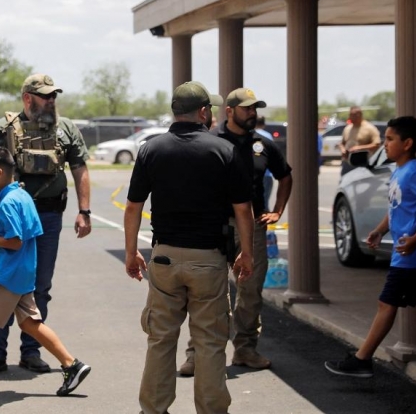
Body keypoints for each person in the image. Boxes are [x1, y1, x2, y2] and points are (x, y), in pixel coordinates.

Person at [124, 81, 254, 414]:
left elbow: (133, 206)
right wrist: (247, 253)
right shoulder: (224, 150)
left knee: (160, 339)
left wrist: (130, 252)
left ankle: (153, 409)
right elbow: (243, 209)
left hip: (165, 257)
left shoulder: (151, 149)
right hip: (208, 260)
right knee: (210, 343)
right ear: (203, 112)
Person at [0, 147, 91, 398]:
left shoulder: (9, 201)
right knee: (30, 323)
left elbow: (15, 241)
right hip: (24, 271)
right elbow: (25, 232)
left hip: (8, 274)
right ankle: (71, 364)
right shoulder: (22, 195)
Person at [0, 73, 92, 375]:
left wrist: (85, 211)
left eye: (54, 95)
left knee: (40, 285)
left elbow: (80, 168)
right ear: (28, 98)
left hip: (50, 218)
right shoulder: (4, 129)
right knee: (5, 282)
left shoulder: (66, 128)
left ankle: (31, 351)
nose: (51, 100)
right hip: (11, 219)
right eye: (45, 95)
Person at [179, 88, 293, 377]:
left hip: (253, 228)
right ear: (229, 111)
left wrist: (278, 210)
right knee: (209, 291)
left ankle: (245, 349)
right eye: (247, 108)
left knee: (250, 292)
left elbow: (285, 175)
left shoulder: (263, 144)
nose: (253, 113)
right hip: (217, 227)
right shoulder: (211, 141)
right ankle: (195, 354)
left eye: (255, 108)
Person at [325, 116, 416, 378]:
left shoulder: (415, 172)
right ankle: (362, 359)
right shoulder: (399, 171)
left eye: (390, 139)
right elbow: (396, 209)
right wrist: (380, 230)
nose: (385, 144)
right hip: (411, 256)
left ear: (408, 143)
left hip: (412, 256)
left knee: (385, 303)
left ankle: (362, 359)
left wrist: (414, 240)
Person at [338, 106, 381, 176]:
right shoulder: (347, 128)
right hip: (347, 163)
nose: (351, 118)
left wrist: (359, 148)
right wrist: (342, 149)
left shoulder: (370, 128)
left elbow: (376, 144)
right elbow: (342, 143)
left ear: (360, 115)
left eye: (354, 115)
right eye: (350, 115)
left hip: (362, 163)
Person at [254, 115, 274, 207]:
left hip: (253, 174)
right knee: (264, 203)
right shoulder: (267, 136)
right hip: (266, 174)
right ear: (264, 124)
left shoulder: (249, 134)